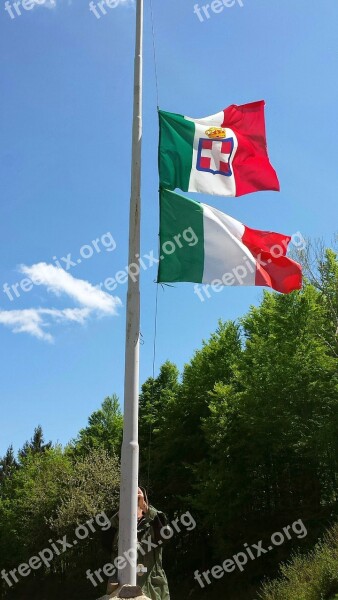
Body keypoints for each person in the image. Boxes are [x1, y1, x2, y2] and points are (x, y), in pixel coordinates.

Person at [102, 487, 171, 600]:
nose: (134, 504)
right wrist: (122, 512)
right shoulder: (117, 524)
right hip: (121, 592)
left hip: (152, 590)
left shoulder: (154, 523)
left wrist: (145, 507)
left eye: (137, 499)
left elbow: (165, 535)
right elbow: (105, 541)